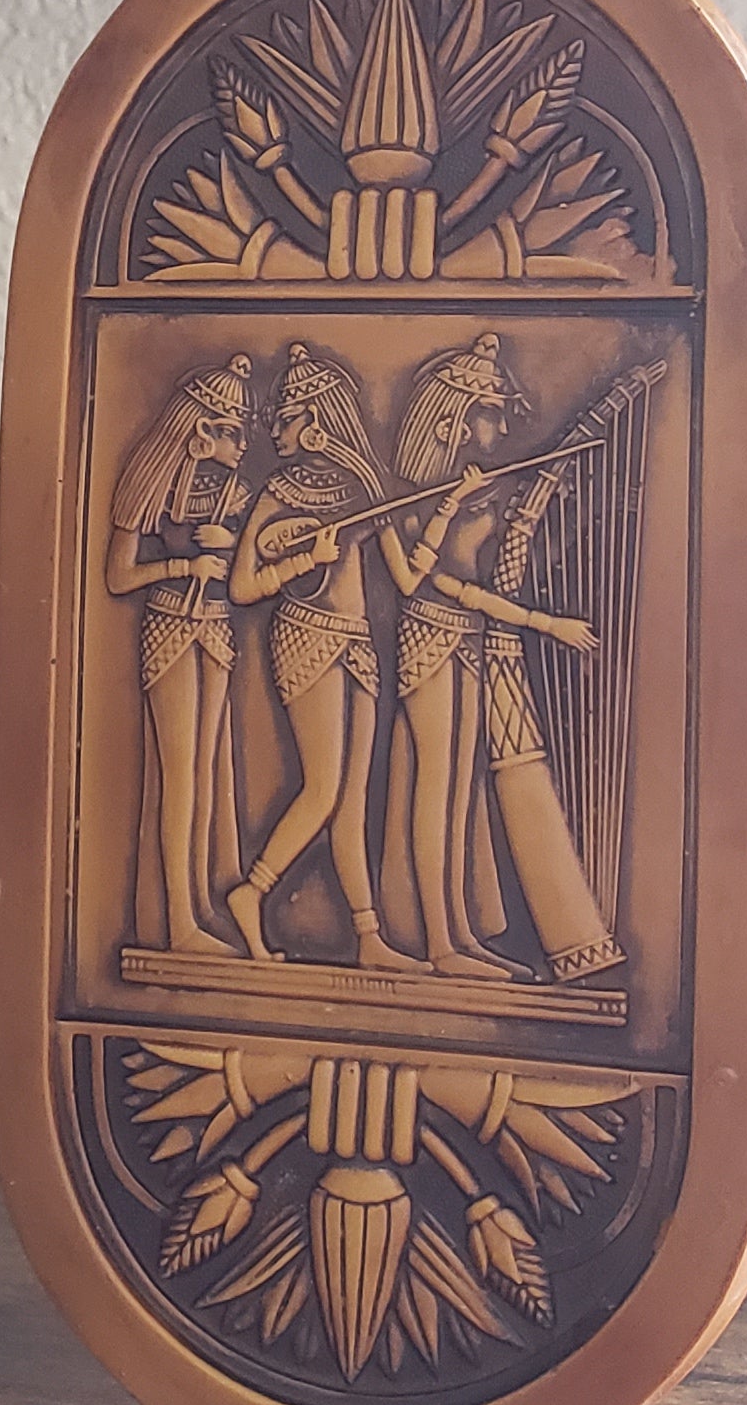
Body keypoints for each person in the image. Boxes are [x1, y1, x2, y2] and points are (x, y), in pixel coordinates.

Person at [379, 332, 623, 985]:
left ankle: (457, 932)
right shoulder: (411, 496)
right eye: (487, 412)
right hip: (430, 635)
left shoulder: (480, 486)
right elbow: (418, 581)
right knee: (435, 787)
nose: (499, 423)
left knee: (463, 790)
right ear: (455, 419)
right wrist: (544, 621)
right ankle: (436, 940)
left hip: (469, 640)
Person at [226, 343, 408, 972]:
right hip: (306, 632)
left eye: (287, 416)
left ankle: (367, 937)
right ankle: (252, 891)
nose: (275, 428)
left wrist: (446, 510)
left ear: (320, 419)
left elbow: (405, 578)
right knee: (323, 785)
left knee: (352, 797)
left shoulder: (363, 486)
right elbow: (244, 586)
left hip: (357, 638)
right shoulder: (280, 489)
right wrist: (307, 559)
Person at [103, 354, 255, 954]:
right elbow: (118, 576)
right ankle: (176, 922)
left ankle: (196, 907)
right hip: (170, 622)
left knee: (207, 773)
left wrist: (234, 541)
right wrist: (184, 565)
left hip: (215, 625)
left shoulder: (230, 493)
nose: (243, 444)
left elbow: (249, 559)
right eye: (232, 432)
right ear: (201, 432)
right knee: (179, 775)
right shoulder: (150, 478)